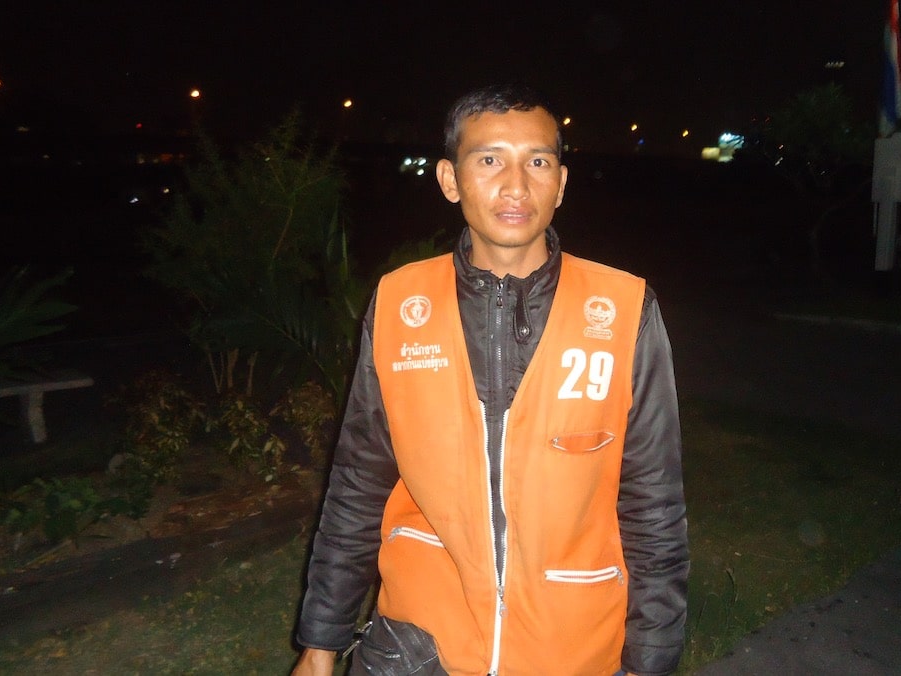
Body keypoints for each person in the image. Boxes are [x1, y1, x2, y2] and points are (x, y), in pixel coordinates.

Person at [292, 83, 689, 676]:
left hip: (572, 648)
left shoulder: (624, 308)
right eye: (488, 160)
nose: (515, 185)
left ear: (561, 182)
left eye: (537, 161)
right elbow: (357, 482)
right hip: (419, 647)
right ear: (450, 180)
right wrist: (322, 643)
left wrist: (650, 661)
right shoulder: (401, 303)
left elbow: (654, 504)